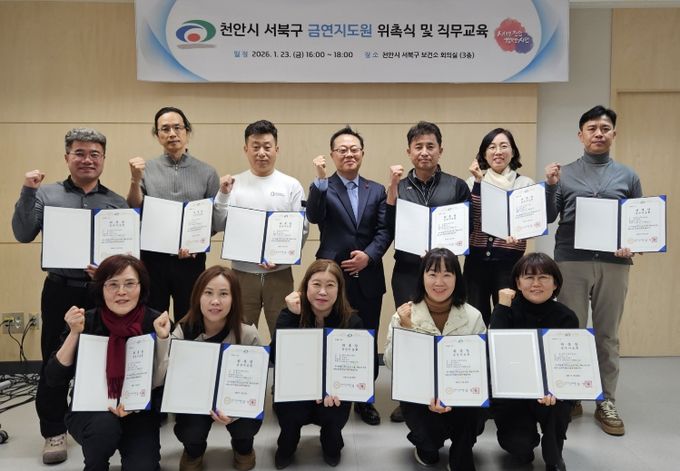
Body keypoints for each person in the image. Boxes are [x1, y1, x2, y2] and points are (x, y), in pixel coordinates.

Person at [11, 128, 128, 464]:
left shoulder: (116, 202)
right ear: (67, 157)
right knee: (56, 360)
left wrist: (107, 270)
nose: (87, 159)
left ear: (103, 159)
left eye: (94, 154)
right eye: (79, 153)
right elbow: (22, 233)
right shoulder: (45, 194)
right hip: (60, 290)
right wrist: (27, 191)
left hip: (101, 294)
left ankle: (96, 423)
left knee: (102, 359)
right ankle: (53, 431)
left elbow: (124, 256)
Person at [545, 105, 641, 435]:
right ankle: (570, 394)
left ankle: (605, 400)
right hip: (571, 261)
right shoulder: (565, 173)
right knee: (570, 333)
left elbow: (638, 223)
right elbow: (548, 217)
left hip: (614, 264)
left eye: (604, 128)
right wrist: (550, 186)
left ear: (614, 133)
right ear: (580, 135)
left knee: (607, 335)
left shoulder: (628, 176)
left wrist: (632, 244)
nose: (598, 133)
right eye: (592, 128)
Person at [44, 255, 171, 470]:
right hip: (92, 410)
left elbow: (164, 382)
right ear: (100, 288)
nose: (121, 291)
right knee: (103, 430)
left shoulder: (156, 322)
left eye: (129, 283)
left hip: (139, 411)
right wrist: (74, 334)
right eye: (112, 284)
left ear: (141, 287)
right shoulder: (86, 321)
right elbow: (54, 377)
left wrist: (163, 339)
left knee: (143, 466)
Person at [306, 126, 391, 425]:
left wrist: (369, 256)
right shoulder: (323, 186)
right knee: (329, 336)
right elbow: (314, 216)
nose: (349, 154)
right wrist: (319, 181)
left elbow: (384, 230)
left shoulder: (376, 190)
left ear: (362, 153)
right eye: (342, 150)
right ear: (332, 155)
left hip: (368, 276)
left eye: (354, 149)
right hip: (331, 278)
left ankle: (364, 399)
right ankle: (327, 391)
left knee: (367, 337)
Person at [385, 121, 470, 422]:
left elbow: (467, 227)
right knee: (411, 331)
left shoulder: (456, 186)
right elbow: (388, 225)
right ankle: (409, 397)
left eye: (430, 146)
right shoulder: (399, 186)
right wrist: (392, 190)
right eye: (418, 147)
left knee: (445, 330)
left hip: (445, 273)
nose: (424, 152)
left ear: (440, 150)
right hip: (408, 270)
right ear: (409, 152)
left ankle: (449, 389)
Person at [383, 248, 485, 471]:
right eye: (432, 274)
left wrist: (453, 395)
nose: (439, 282)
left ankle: (461, 452)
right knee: (429, 446)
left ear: (457, 278)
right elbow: (390, 363)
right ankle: (426, 446)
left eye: (447, 274)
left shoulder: (473, 316)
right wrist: (405, 328)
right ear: (422, 277)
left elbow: (480, 368)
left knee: (475, 412)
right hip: (420, 395)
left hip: (460, 393)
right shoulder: (404, 314)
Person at [214, 119, 307, 340]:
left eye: (267, 146)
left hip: (280, 273)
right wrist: (223, 195)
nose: (261, 153)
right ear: (246, 149)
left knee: (285, 334)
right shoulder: (232, 184)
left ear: (277, 149)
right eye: (255, 147)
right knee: (240, 334)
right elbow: (218, 224)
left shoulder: (291, 185)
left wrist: (281, 258)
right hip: (242, 274)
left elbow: (301, 230)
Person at [127, 106, 221, 319]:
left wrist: (197, 243)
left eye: (177, 127)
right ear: (157, 134)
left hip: (191, 259)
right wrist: (134, 179)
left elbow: (213, 219)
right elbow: (134, 208)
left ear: (187, 131)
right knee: (153, 316)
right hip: (153, 258)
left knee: (190, 318)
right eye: (165, 129)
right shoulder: (146, 169)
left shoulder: (207, 172)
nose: (172, 134)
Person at [167, 266, 262, 471]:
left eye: (224, 294)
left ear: (234, 299)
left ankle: (243, 448)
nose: (215, 301)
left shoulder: (248, 334)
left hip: (233, 399)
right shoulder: (183, 332)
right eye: (208, 293)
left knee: (246, 425)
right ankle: (194, 451)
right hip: (195, 400)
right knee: (190, 430)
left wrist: (235, 414)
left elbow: (255, 387)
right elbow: (170, 379)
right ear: (197, 297)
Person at [490, 252, 579, 471]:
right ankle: (522, 443)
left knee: (559, 404)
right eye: (529, 277)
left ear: (555, 283)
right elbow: (496, 351)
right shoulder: (507, 310)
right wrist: (501, 307)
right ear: (518, 282)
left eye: (543, 278)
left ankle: (554, 456)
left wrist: (556, 388)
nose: (536, 284)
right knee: (520, 448)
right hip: (514, 391)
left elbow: (569, 364)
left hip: (550, 392)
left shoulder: (566, 317)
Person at [271, 260, 363, 469]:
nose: (322, 292)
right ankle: (287, 444)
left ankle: (331, 442)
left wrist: (342, 388)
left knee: (333, 424)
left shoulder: (352, 322)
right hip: (297, 389)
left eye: (330, 285)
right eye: (316, 284)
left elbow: (366, 369)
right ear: (305, 286)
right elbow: (276, 357)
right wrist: (292, 317)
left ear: (339, 290)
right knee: (290, 418)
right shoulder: (289, 314)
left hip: (333, 393)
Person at [465, 128, 535, 325]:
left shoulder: (524, 184)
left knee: (508, 317)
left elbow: (532, 222)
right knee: (475, 317)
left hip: (510, 262)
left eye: (504, 146)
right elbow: (471, 219)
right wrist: (478, 183)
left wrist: (521, 233)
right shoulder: (471, 182)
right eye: (492, 147)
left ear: (513, 152)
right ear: (484, 153)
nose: (498, 152)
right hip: (476, 262)